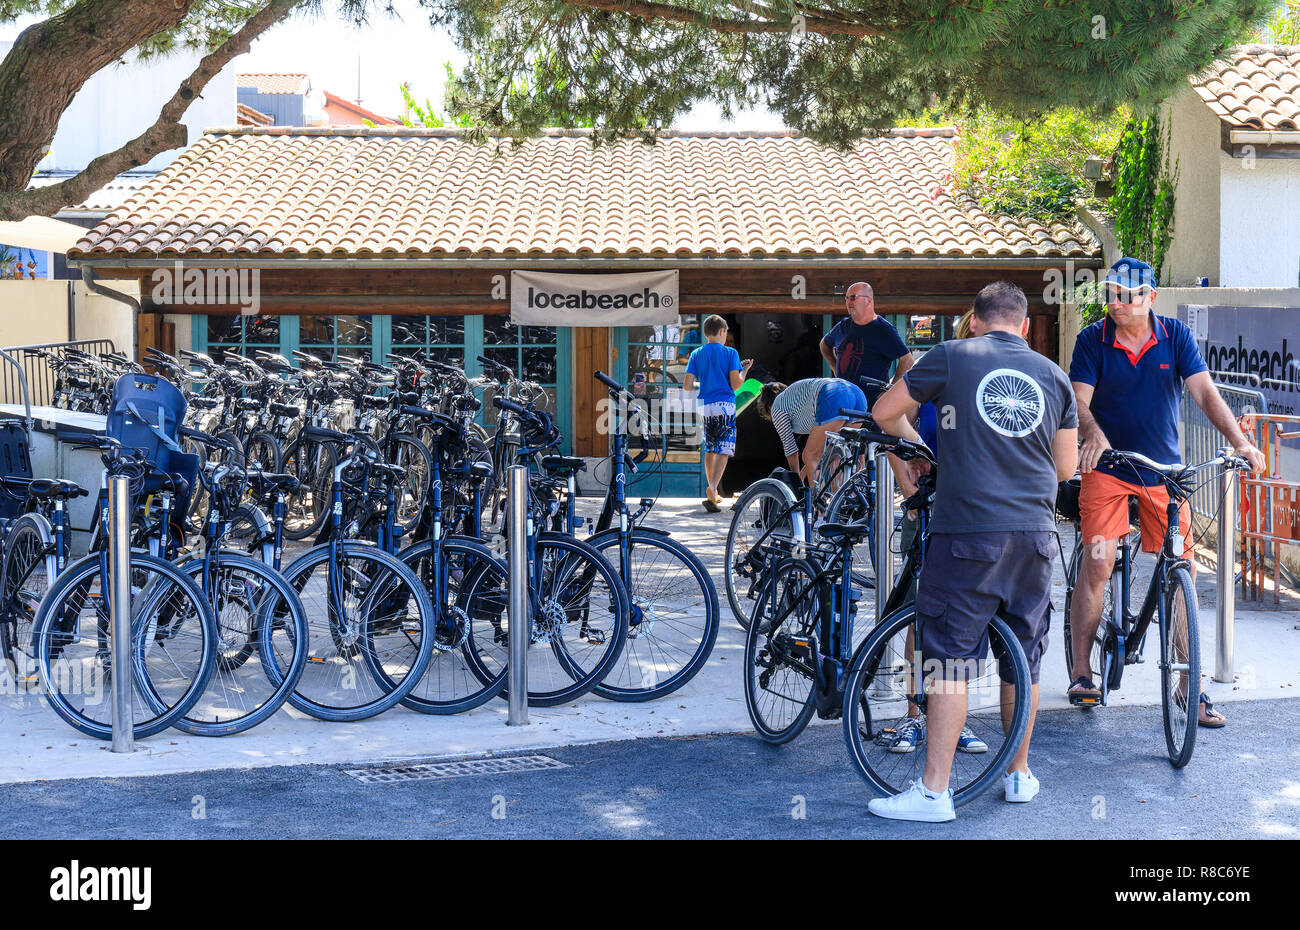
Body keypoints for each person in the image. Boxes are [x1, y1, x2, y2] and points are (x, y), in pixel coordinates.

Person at [868, 281, 1079, 821]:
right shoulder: (1053, 376)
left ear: (976, 321)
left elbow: (884, 413)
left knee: (950, 661)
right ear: (1025, 327)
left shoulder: (951, 355)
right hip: (1035, 536)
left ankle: (935, 792)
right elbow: (1065, 471)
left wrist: (921, 453)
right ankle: (1018, 774)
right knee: (1023, 660)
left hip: (966, 533)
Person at [1067, 257, 1265, 724]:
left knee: (1182, 567)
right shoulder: (1091, 340)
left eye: (1128, 294)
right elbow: (1078, 400)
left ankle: (1187, 688)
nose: (1117, 301)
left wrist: (1240, 441)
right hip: (1110, 468)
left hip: (1164, 472)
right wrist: (1093, 434)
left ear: (1150, 297)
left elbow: (1204, 392)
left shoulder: (1174, 335)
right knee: (1098, 559)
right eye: (1112, 292)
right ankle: (1081, 671)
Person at [685, 314, 752, 512]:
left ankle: (713, 492)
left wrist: (706, 384)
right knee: (724, 448)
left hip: (705, 405)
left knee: (711, 447)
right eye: (726, 333)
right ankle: (713, 487)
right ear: (722, 331)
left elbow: (688, 386)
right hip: (725, 404)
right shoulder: (731, 353)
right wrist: (745, 370)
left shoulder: (696, 353)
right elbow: (736, 384)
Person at [756, 377, 866, 485]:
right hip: (857, 393)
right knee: (835, 455)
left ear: (768, 408)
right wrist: (803, 474)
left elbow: (791, 450)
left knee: (809, 455)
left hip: (834, 394)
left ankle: (818, 503)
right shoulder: (796, 402)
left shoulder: (776, 408)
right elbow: (822, 451)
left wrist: (796, 483)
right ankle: (844, 501)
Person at [820, 282, 914, 403]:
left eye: (853, 297)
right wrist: (835, 368)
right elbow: (824, 345)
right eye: (846, 298)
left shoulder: (883, 329)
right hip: (844, 399)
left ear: (868, 301)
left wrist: (890, 391)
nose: (848, 302)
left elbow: (907, 360)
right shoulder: (843, 325)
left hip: (871, 404)